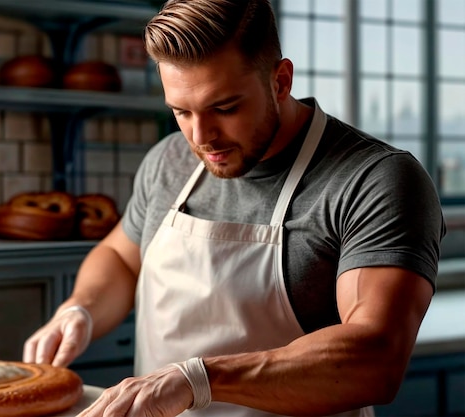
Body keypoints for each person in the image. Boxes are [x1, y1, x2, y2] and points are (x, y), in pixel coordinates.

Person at [23, 0, 446, 416]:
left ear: (280, 81)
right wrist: (80, 309)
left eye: (224, 108)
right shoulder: (169, 159)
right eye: (181, 111)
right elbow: (120, 255)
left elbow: (376, 357)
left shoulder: (374, 180)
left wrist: (198, 381)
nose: (202, 136)